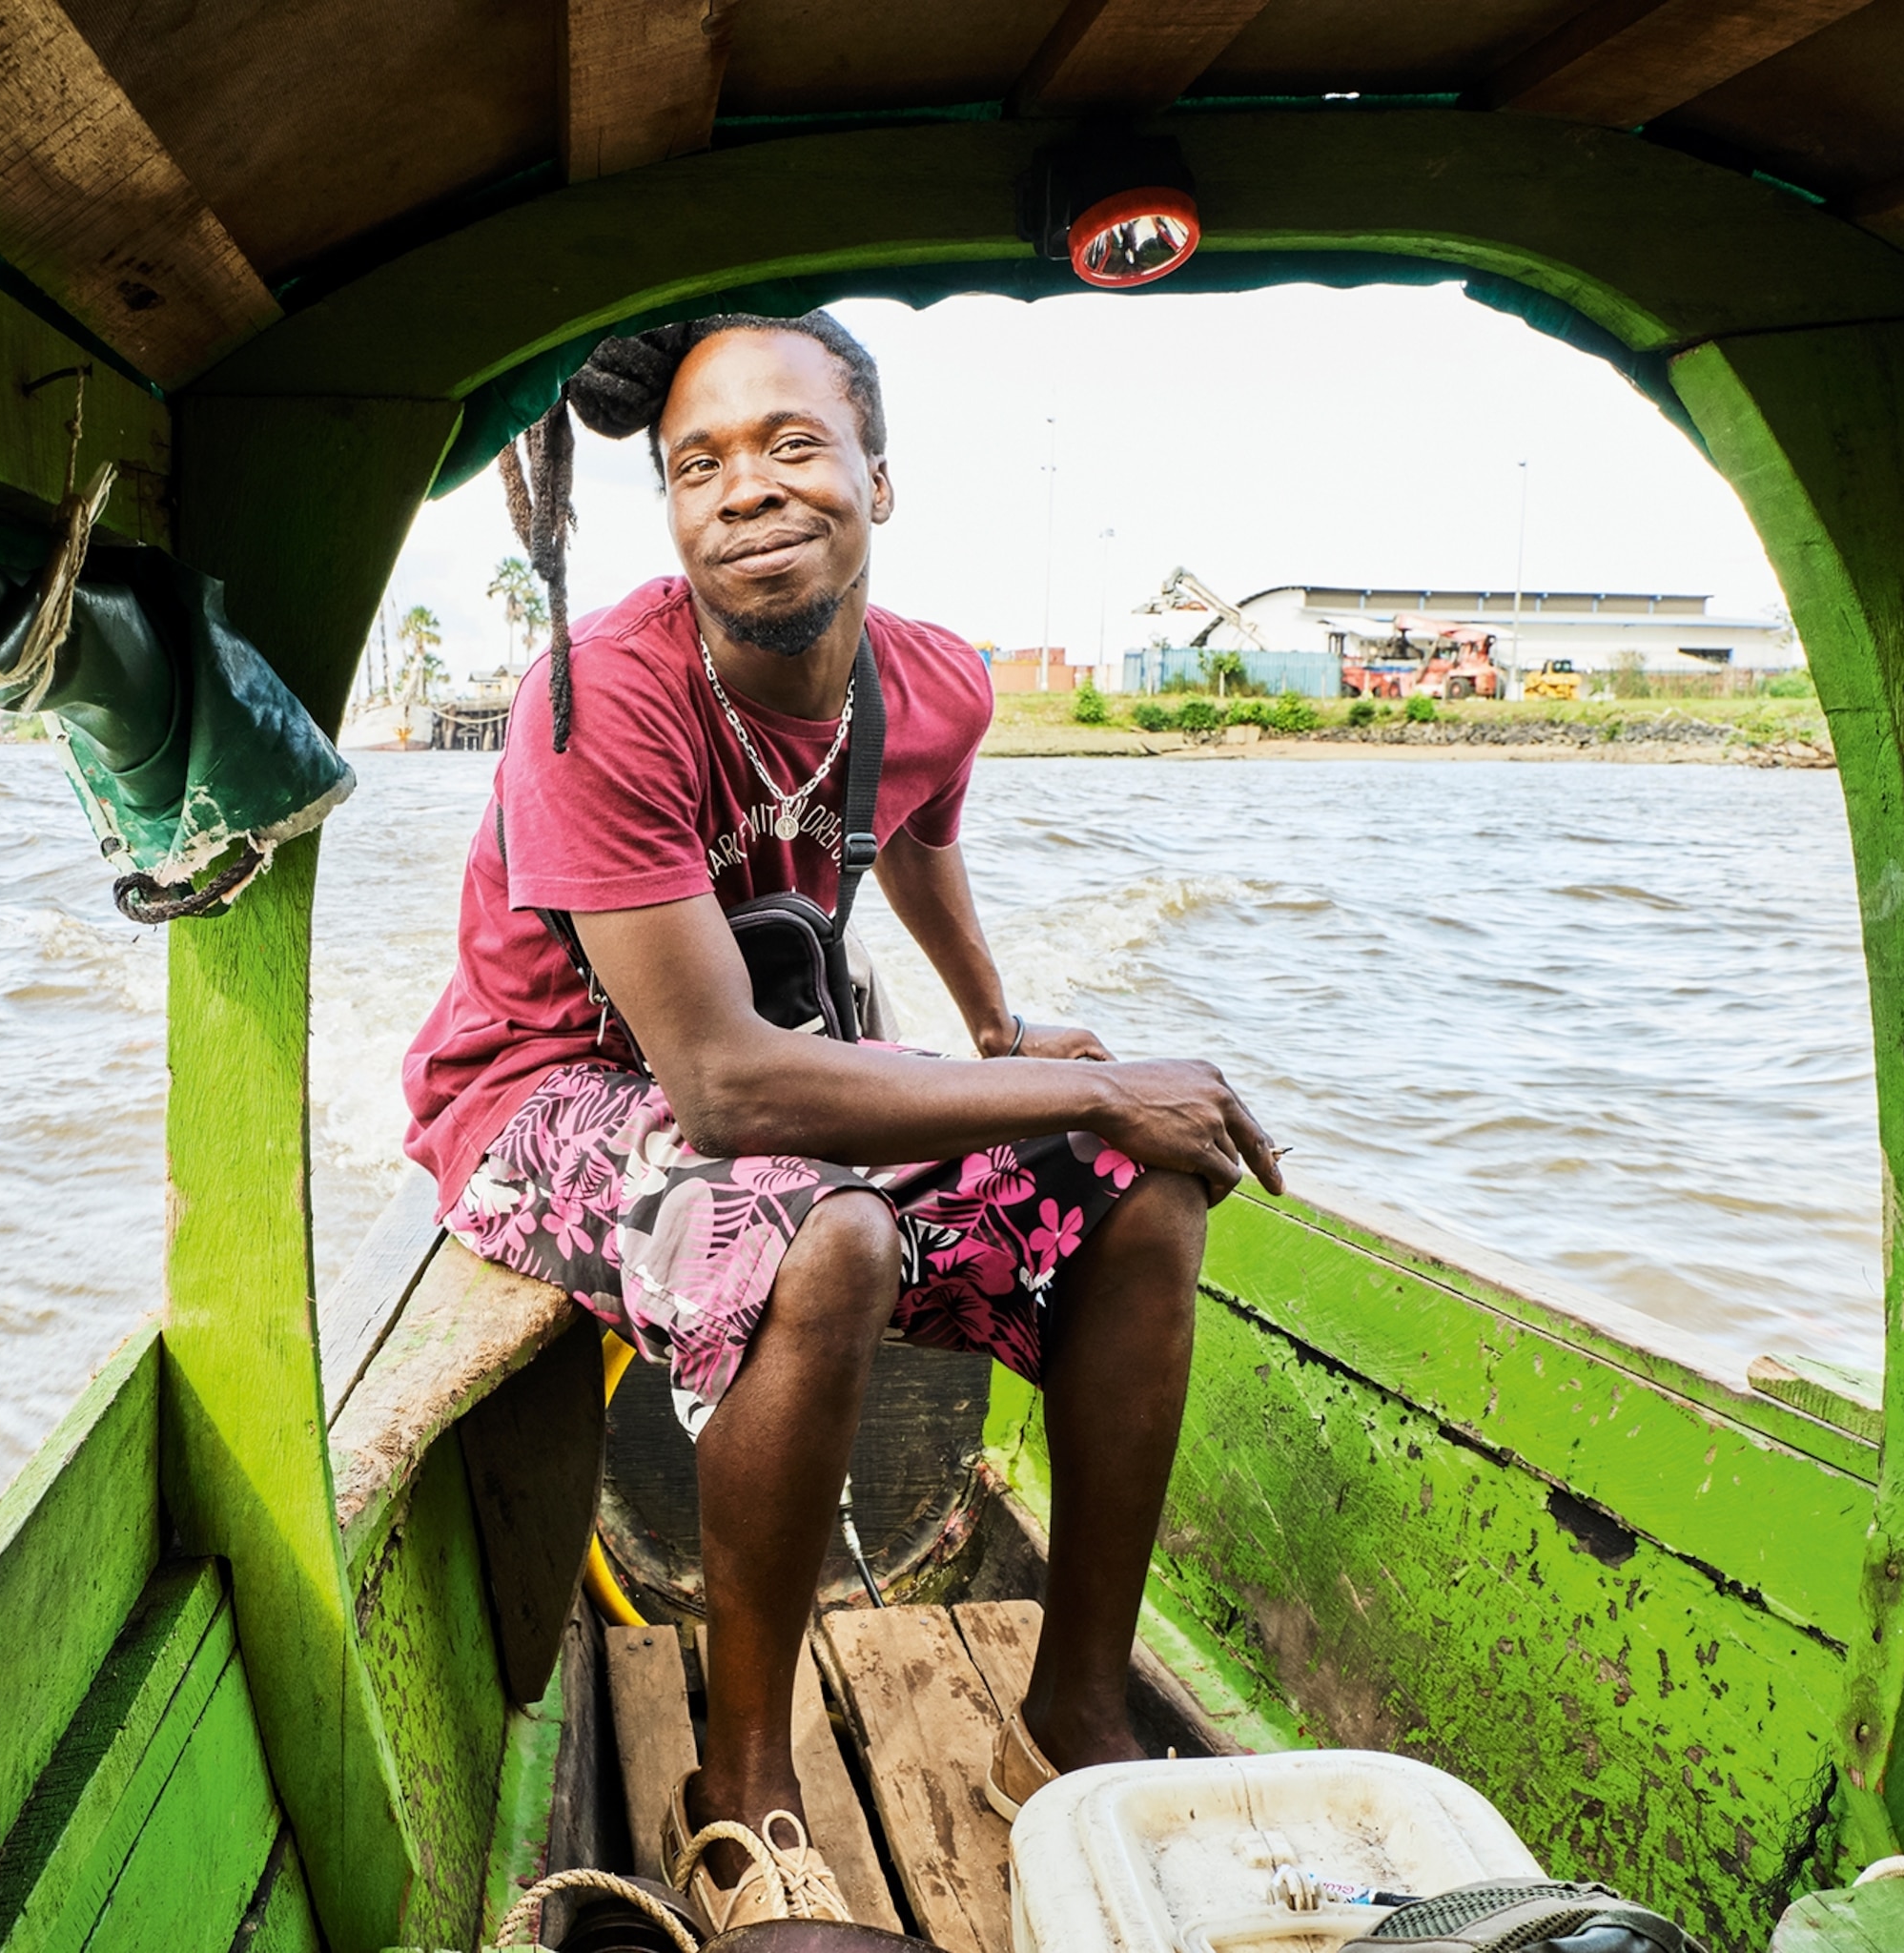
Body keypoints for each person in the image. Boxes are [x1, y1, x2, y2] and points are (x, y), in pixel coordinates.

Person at [399, 310, 1282, 1932]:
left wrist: (1000, 1025)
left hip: (776, 1077)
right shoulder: (598, 703)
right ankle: (743, 1801)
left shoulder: (933, 681)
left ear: (879, 474)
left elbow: (923, 824)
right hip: (548, 1095)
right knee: (827, 1228)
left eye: (793, 446)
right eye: (699, 465)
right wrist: (1079, 1076)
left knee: (1141, 1188)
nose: (747, 490)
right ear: (668, 510)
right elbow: (723, 1091)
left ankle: (1070, 1720)